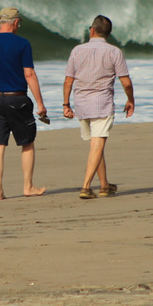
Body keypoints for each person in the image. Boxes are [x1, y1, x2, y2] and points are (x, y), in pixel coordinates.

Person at [0, 7, 48, 200]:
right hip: (18, 99)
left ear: (0, 22)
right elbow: (29, 74)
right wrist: (40, 104)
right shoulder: (22, 43)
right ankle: (28, 186)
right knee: (27, 143)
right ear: (15, 23)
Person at [62, 15, 135, 199]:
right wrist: (130, 100)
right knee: (97, 144)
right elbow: (125, 82)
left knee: (96, 145)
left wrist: (66, 105)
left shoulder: (77, 50)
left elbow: (68, 81)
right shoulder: (114, 52)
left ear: (91, 30)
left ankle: (104, 185)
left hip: (82, 104)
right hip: (101, 103)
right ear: (107, 34)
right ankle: (86, 187)